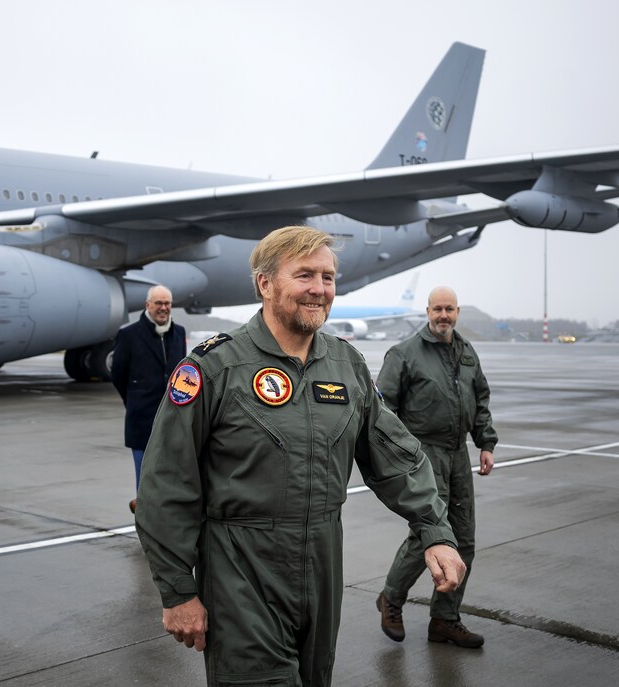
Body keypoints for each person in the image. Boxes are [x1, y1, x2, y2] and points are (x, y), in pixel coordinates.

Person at [135, 226, 466, 686]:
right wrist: (177, 591)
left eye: (328, 277)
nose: (320, 289)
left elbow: (396, 455)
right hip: (241, 571)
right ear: (265, 284)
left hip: (323, 566)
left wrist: (435, 531)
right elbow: (165, 484)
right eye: (305, 275)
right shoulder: (212, 368)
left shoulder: (346, 365)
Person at [375, 286, 497, 649]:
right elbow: (384, 409)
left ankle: (444, 619)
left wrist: (485, 442)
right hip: (423, 454)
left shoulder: (467, 352)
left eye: (449, 309)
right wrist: (398, 456)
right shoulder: (404, 353)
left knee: (464, 539)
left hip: (458, 453)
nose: (443, 315)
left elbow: (481, 397)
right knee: (426, 535)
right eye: (437, 309)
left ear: (457, 312)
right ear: (427, 311)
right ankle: (391, 600)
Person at [111, 285, 186, 513]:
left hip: (173, 419)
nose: (163, 308)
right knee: (144, 477)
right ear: (148, 305)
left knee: (171, 477)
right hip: (141, 419)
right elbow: (118, 375)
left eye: (167, 304)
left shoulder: (179, 332)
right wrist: (134, 401)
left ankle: (167, 524)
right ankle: (146, 523)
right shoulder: (129, 334)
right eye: (158, 303)